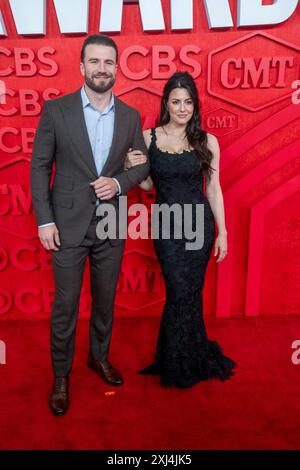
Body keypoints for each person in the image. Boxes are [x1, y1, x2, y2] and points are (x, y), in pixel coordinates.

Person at [30, 34, 150, 415]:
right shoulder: (56, 111)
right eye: (95, 62)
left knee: (105, 299)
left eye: (108, 62)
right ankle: (61, 375)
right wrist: (45, 220)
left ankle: (98, 357)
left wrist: (118, 183)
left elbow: (144, 165)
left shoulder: (131, 116)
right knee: (66, 305)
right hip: (65, 224)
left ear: (117, 68)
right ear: (82, 67)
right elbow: (39, 167)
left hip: (110, 223)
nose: (102, 69)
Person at [125, 72, 236, 388]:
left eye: (188, 102)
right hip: (167, 228)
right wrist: (129, 163)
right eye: (176, 101)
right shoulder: (149, 138)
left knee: (191, 293)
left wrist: (223, 232)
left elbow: (214, 188)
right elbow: (147, 185)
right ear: (166, 104)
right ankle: (177, 360)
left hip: (199, 226)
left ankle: (185, 359)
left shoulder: (207, 140)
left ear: (195, 105)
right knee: (178, 292)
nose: (182, 108)